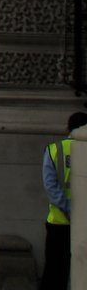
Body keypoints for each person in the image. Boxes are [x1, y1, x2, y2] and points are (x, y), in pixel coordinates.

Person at [42, 110, 87, 289]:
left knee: (54, 272)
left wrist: (68, 208)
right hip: (83, 221)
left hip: (59, 221)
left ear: (67, 127)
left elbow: (50, 185)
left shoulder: (55, 149)